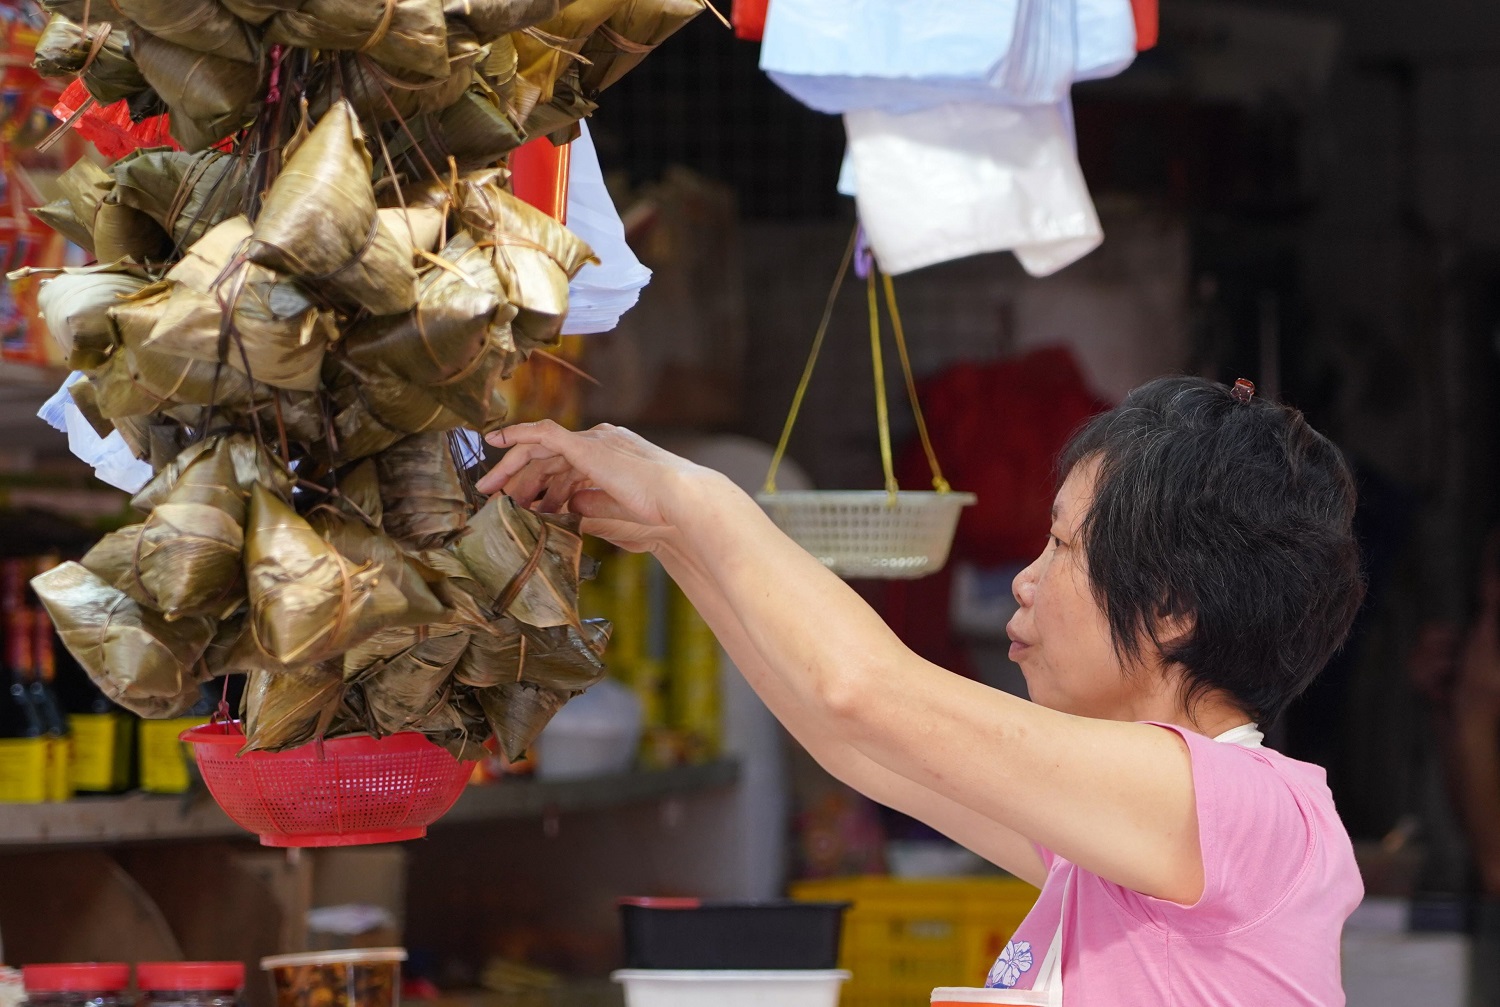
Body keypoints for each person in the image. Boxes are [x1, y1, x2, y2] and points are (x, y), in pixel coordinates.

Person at [478, 375, 1366, 1006]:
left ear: (1172, 609)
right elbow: (857, 743)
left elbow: (866, 690)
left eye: (1061, 547)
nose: (1025, 580)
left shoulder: (1246, 809)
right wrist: (670, 533)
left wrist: (691, 490)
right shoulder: (1116, 838)